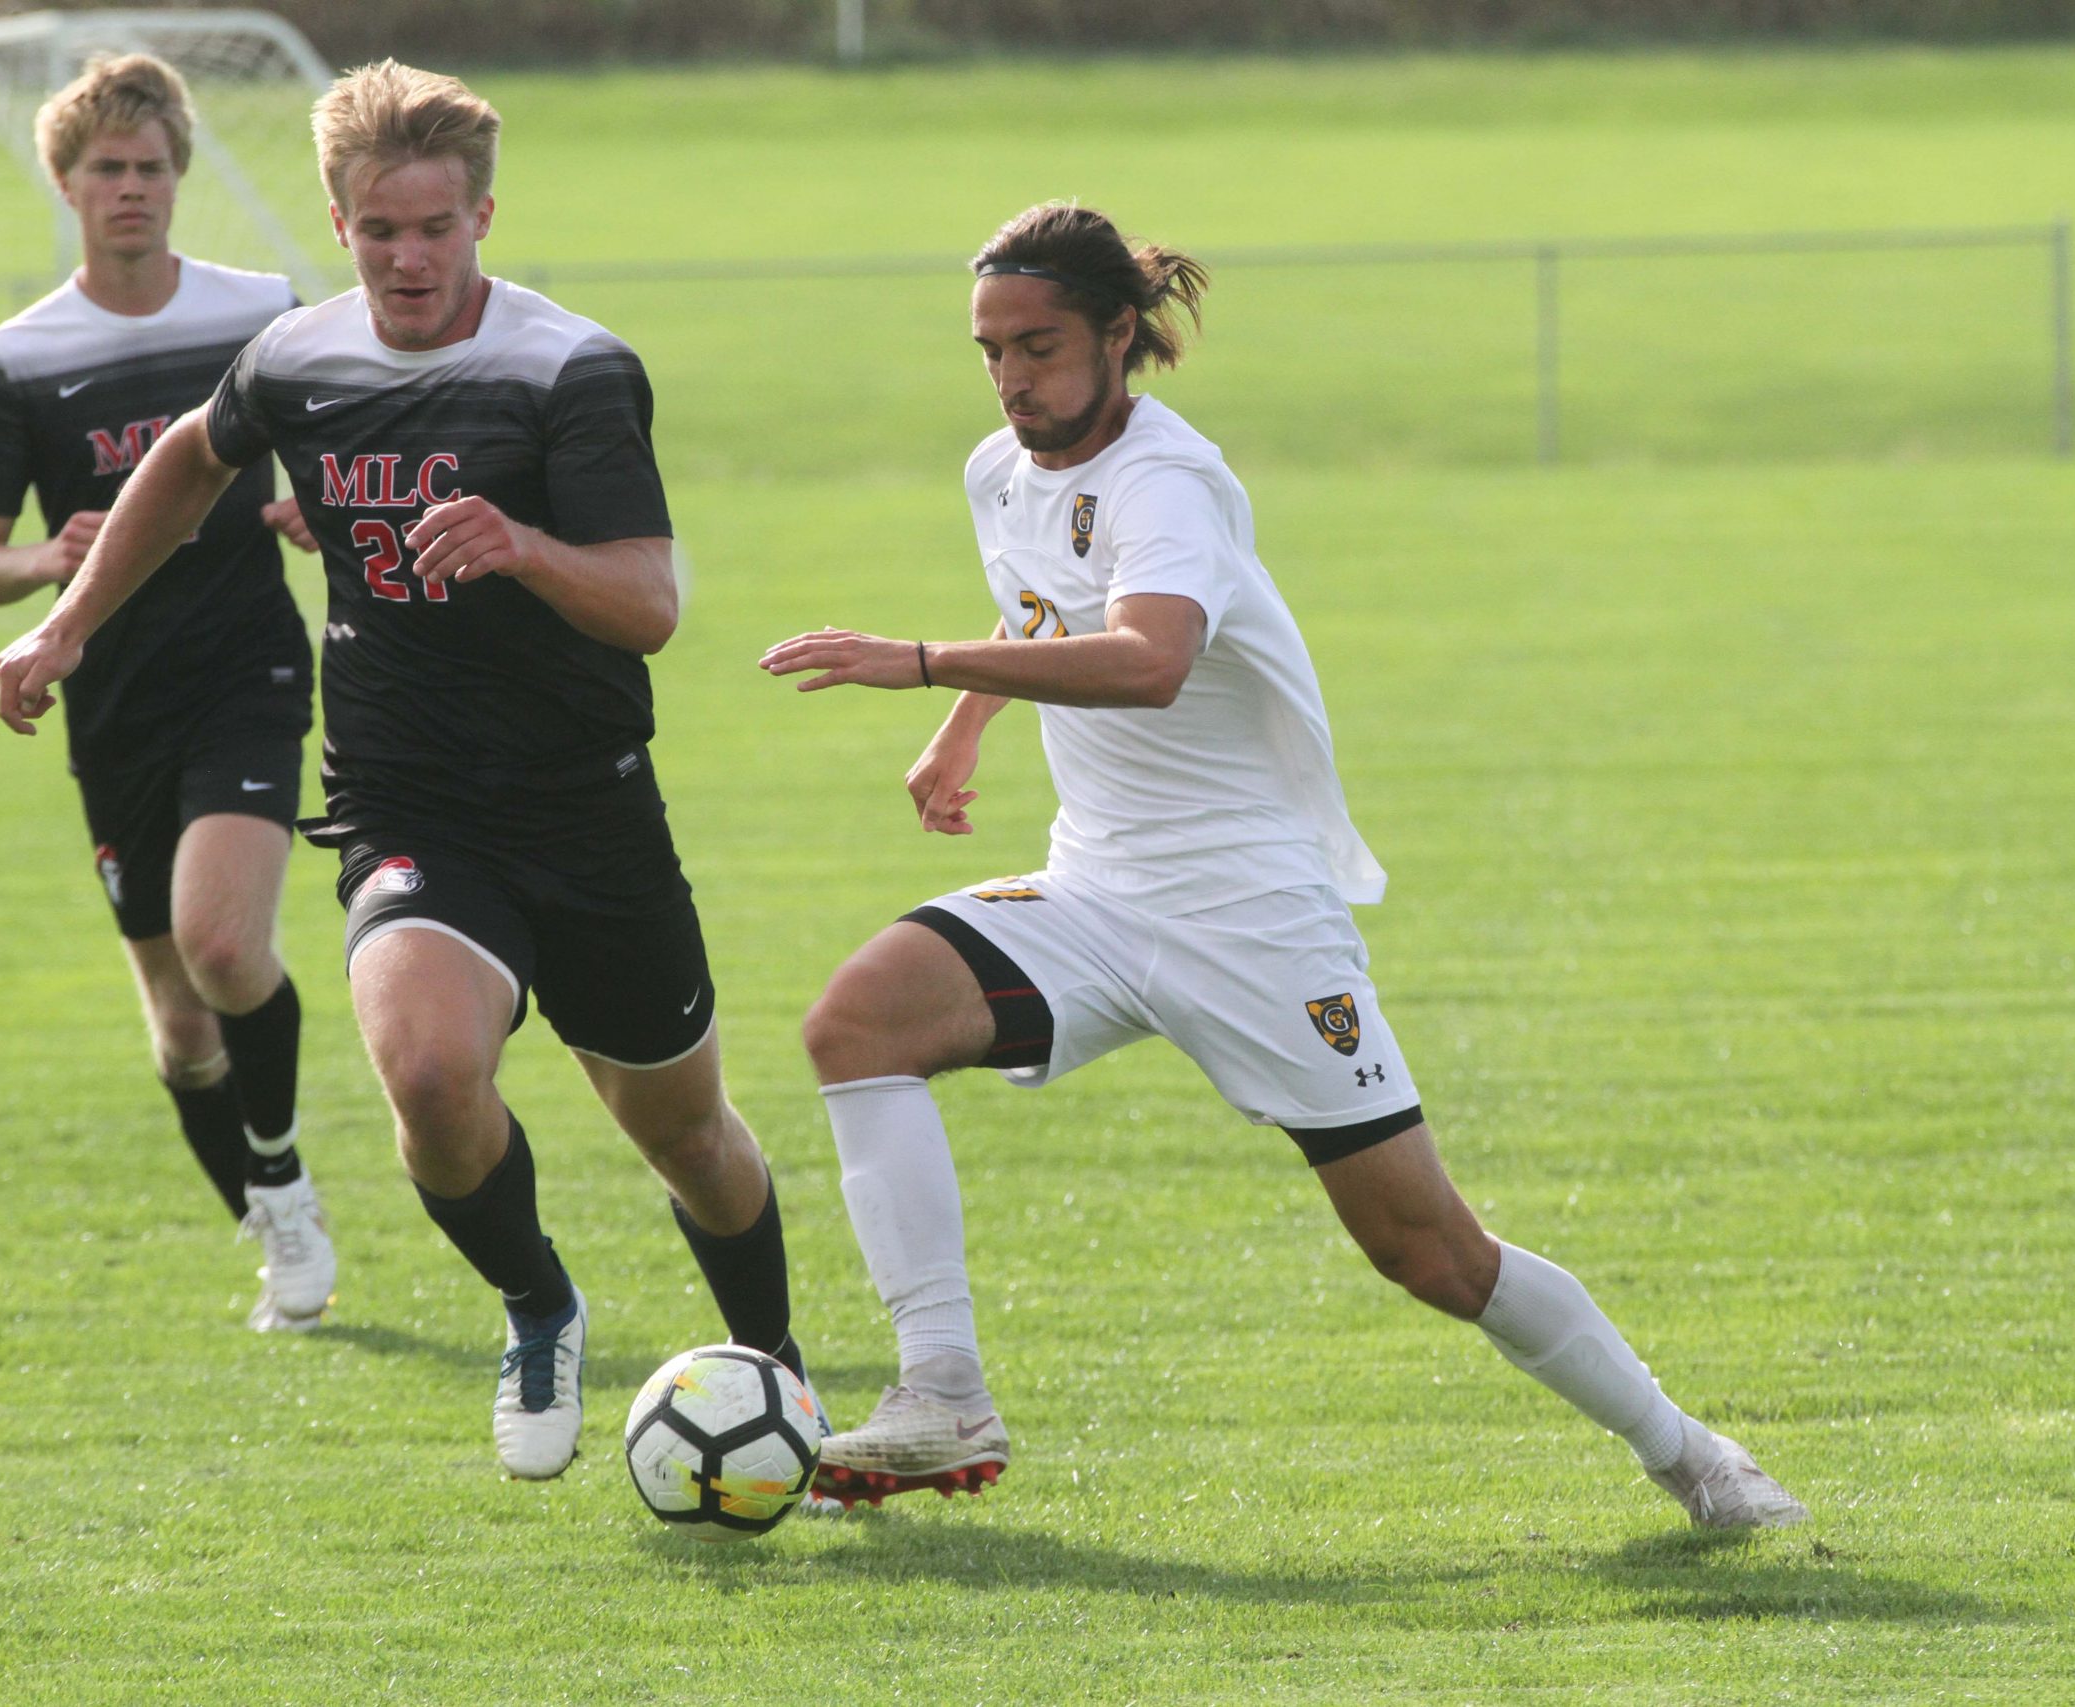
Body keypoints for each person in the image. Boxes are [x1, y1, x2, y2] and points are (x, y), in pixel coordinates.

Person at [760, 202, 1808, 1529]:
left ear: (1118, 333)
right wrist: (963, 721)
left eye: (1038, 345)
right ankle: (944, 1391)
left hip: (1249, 913)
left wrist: (919, 661)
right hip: (1091, 887)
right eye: (990, 351)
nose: (1013, 377)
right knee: (857, 1021)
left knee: (1427, 1249)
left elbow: (1147, 657)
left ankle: (1695, 1454)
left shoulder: (1169, 479)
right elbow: (1041, 604)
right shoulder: (999, 471)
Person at [0, 60, 813, 1482]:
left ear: (483, 213)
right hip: (407, 801)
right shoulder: (298, 359)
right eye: (379, 229)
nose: (408, 256)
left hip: (586, 801)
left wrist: (526, 548)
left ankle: (779, 1373)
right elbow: (190, 462)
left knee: (687, 1136)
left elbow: (651, 603)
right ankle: (538, 1303)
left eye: (435, 227)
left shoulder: (571, 370)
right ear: (339, 213)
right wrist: (65, 622)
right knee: (430, 1076)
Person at [0, 53, 332, 1333]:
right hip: (109, 698)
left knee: (227, 944)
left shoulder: (258, 312)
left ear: (181, 177)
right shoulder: (20, 355)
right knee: (178, 1029)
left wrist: (314, 505)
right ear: (65, 182)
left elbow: (345, 449)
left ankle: (281, 1180)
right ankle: (271, 1224)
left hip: (249, 668)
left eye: (152, 167)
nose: (131, 189)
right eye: (106, 169)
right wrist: (38, 564)